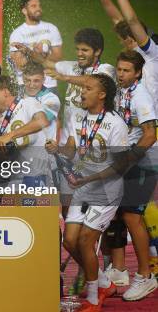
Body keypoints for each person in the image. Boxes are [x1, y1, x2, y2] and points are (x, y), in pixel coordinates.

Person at [49, 73, 129, 312]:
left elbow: (120, 165)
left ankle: (94, 298)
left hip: (106, 191)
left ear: (102, 95)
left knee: (85, 240)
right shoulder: (77, 116)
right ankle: (104, 282)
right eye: (82, 87)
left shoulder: (116, 124)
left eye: (88, 88)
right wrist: (58, 149)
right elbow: (72, 151)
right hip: (83, 188)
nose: (82, 92)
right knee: (69, 240)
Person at [103, 50, 157, 300]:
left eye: (126, 71)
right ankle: (119, 270)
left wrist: (127, 160)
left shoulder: (142, 97)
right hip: (128, 160)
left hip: (144, 161)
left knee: (132, 216)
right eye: (119, 69)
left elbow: (150, 135)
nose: (121, 74)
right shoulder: (121, 89)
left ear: (137, 73)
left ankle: (145, 276)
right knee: (116, 212)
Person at [16, 28, 115, 140]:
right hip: (67, 136)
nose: (79, 54)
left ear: (97, 51)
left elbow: (93, 80)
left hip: (93, 134)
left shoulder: (107, 69)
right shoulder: (72, 66)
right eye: (77, 49)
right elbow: (44, 62)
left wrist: (65, 77)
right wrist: (28, 52)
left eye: (84, 50)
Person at [95, 0, 158, 112]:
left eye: (121, 40)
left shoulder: (150, 53)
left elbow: (131, 20)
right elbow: (117, 20)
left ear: (130, 39)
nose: (121, 43)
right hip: (132, 120)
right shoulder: (135, 55)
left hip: (152, 121)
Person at [0, 75, 50, 187]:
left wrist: (10, 135)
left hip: (34, 174)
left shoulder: (27, 103)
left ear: (5, 92)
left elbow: (42, 122)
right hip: (11, 177)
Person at [9, 0, 63, 93]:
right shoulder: (17, 34)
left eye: (39, 6)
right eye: (33, 6)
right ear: (24, 11)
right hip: (26, 86)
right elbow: (21, 65)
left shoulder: (51, 28)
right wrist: (41, 56)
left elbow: (58, 57)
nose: (38, 9)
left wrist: (32, 54)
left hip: (49, 84)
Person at [22, 62, 60, 141]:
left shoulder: (52, 99)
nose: (31, 85)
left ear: (44, 80)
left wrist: (11, 135)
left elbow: (40, 122)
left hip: (41, 150)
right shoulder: (17, 94)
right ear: (23, 79)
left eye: (36, 81)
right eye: (28, 80)